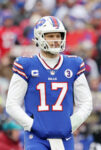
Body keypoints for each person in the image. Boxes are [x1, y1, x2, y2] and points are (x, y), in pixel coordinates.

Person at [6, 16, 93, 150]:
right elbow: (12, 105)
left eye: (58, 36)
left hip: (65, 137)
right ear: (39, 37)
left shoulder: (74, 64)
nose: (55, 40)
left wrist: (72, 124)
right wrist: (32, 125)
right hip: (36, 137)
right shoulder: (26, 65)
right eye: (50, 36)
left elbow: (86, 102)